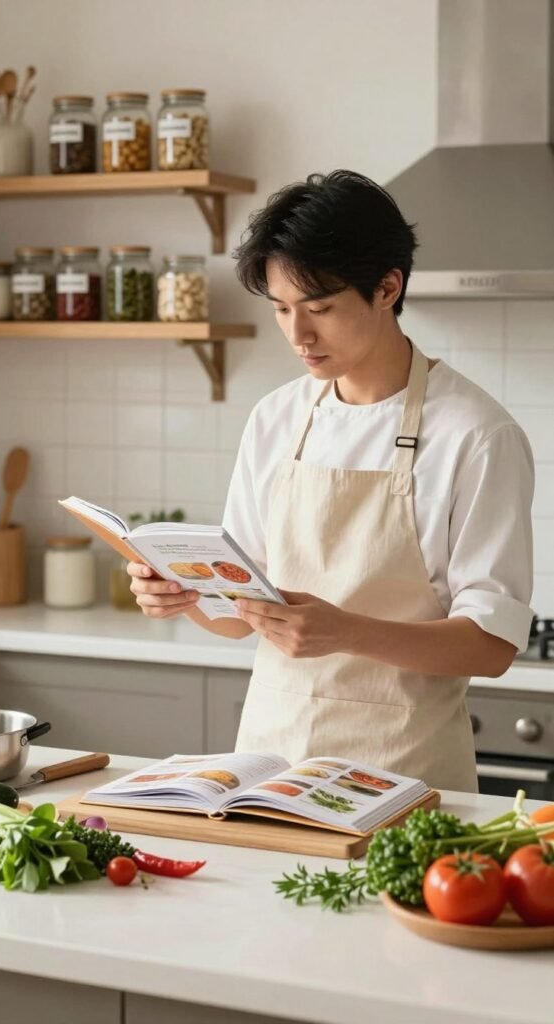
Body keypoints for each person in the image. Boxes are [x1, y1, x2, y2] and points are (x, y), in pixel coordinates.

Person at [128, 169, 534, 791]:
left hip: (403, 780)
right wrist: (183, 596)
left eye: (319, 308)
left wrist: (346, 631)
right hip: (271, 770)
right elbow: (240, 615)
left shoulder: (476, 434)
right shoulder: (277, 418)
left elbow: (491, 647)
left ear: (387, 288)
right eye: (283, 309)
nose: (298, 335)